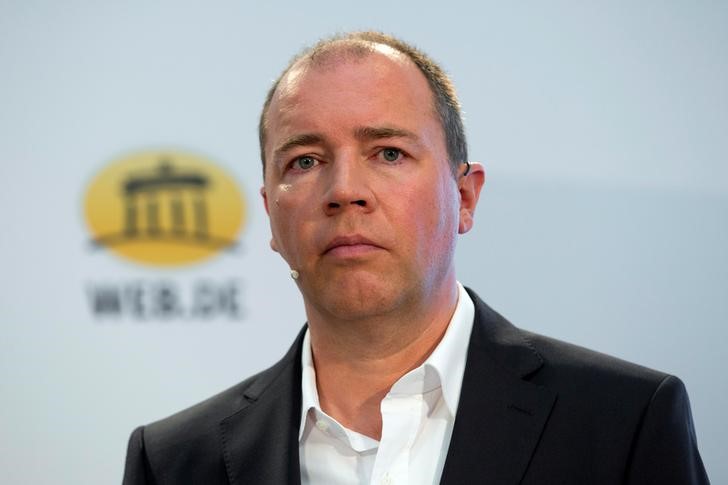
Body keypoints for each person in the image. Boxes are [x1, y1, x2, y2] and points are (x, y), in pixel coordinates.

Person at [123, 31, 709, 484]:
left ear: (465, 196)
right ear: (270, 218)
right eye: (304, 161)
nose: (344, 189)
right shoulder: (174, 460)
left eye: (388, 152)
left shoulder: (624, 422)